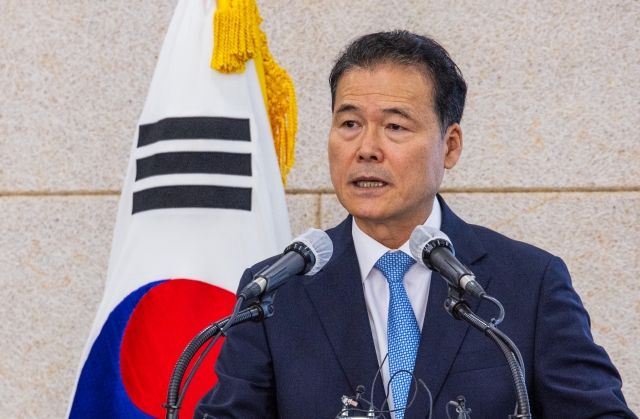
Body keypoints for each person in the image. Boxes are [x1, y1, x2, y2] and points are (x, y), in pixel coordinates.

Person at [196, 31, 636, 418]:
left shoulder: (529, 283)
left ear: (450, 147)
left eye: (395, 126)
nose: (367, 148)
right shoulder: (273, 290)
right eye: (349, 123)